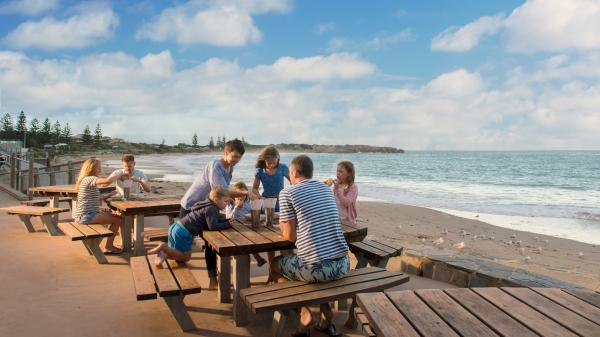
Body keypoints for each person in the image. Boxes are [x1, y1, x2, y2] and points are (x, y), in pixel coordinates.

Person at [270, 155, 349, 337]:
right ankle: (326, 311)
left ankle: (303, 312)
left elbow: (289, 236)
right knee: (315, 258)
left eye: (290, 172)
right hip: (343, 265)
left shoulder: (287, 193)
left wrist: (284, 224)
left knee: (275, 265)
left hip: (318, 270)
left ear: (295, 172)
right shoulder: (325, 188)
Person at [149, 186, 232, 289]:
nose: (227, 204)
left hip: (176, 227)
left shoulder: (206, 204)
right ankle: (164, 248)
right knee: (186, 257)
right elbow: (213, 226)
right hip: (183, 232)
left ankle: (163, 254)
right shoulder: (212, 208)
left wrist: (227, 221)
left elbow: (211, 222)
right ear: (216, 200)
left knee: (179, 257)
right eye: (225, 201)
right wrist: (228, 224)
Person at [74, 158, 123, 254]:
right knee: (117, 219)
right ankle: (109, 247)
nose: (100, 170)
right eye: (98, 168)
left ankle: (108, 245)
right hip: (86, 216)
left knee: (114, 215)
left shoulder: (86, 180)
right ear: (91, 169)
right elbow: (107, 181)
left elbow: (95, 197)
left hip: (86, 214)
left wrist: (108, 195)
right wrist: (119, 173)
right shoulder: (90, 178)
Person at [225, 182, 267, 267]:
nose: (241, 196)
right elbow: (229, 218)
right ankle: (257, 257)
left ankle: (257, 257)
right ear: (234, 195)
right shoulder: (231, 204)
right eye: (239, 194)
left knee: (253, 237)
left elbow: (251, 215)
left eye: (243, 194)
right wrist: (236, 207)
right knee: (247, 242)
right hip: (234, 229)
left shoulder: (248, 204)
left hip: (246, 228)